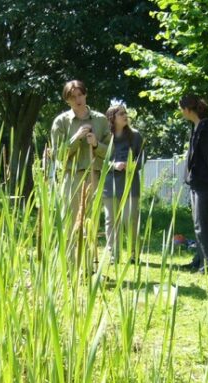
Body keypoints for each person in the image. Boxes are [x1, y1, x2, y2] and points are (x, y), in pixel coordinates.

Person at [49, 80, 112, 236]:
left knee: (91, 221)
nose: (78, 100)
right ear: (67, 100)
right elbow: (58, 155)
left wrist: (97, 145)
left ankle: (89, 259)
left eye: (80, 95)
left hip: (94, 175)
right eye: (72, 97)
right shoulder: (61, 122)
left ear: (85, 95)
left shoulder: (101, 120)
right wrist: (76, 138)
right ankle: (69, 259)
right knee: (69, 222)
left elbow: (112, 152)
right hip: (71, 177)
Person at [179, 94, 208, 274]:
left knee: (202, 223)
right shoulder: (196, 126)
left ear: (188, 110)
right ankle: (199, 260)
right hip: (195, 182)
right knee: (197, 223)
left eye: (182, 109)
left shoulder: (207, 127)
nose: (181, 113)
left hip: (204, 183)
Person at [103, 105, 144, 264]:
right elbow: (99, 160)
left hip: (130, 185)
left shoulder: (135, 136)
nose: (125, 116)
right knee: (111, 221)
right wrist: (114, 165)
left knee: (131, 220)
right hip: (109, 185)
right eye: (121, 113)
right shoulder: (106, 137)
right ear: (112, 117)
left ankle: (134, 255)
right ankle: (114, 256)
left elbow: (142, 158)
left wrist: (131, 165)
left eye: (126, 113)